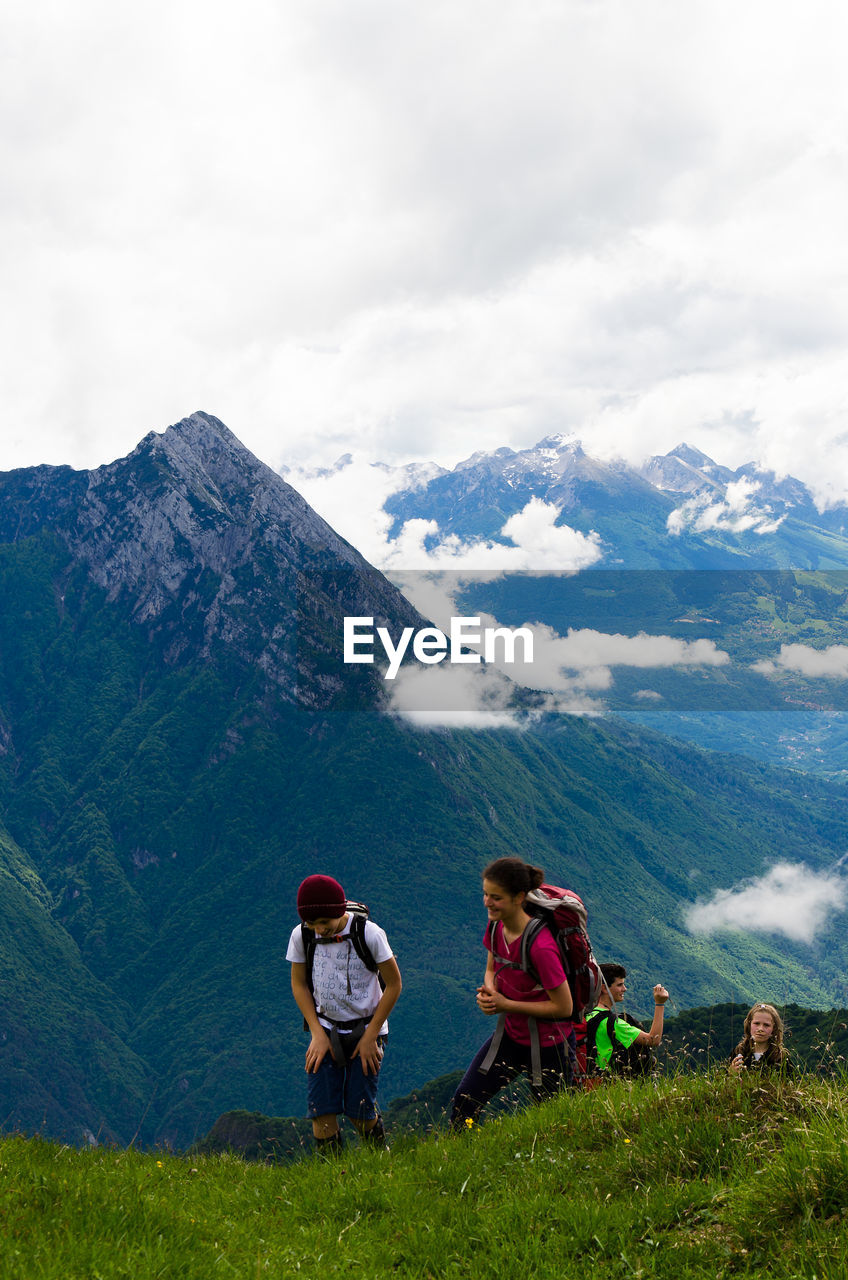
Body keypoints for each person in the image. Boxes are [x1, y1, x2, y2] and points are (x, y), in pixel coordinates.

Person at [450, 857, 574, 1129]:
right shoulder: (496, 926)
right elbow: (491, 967)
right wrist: (490, 993)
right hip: (511, 1035)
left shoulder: (541, 947)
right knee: (465, 1102)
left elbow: (564, 1007)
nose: (487, 902)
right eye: (485, 894)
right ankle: (458, 1159)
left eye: (496, 897)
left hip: (550, 1044)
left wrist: (506, 1003)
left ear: (519, 897)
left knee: (554, 1122)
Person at [286, 874, 402, 1153]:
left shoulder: (369, 933)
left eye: (324, 923)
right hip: (324, 1029)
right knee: (321, 1114)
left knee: (359, 1114)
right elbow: (299, 984)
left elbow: (395, 984)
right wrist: (316, 1033)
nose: (318, 929)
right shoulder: (302, 934)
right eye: (312, 923)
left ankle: (381, 1159)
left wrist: (372, 1035)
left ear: (340, 911)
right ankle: (334, 1179)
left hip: (366, 1030)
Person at [586, 962, 669, 1077]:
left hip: (589, 1078)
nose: (624, 989)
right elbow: (653, 1039)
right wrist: (659, 1004)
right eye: (619, 985)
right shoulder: (614, 1023)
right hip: (609, 1082)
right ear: (604, 988)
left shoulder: (586, 1014)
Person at [729, 1002, 793, 1075]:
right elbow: (721, 1081)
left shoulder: (780, 1058)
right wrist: (731, 1073)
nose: (760, 1029)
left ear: (774, 1028)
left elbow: (791, 1084)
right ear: (749, 1025)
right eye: (756, 1023)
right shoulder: (738, 1052)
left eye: (766, 1025)